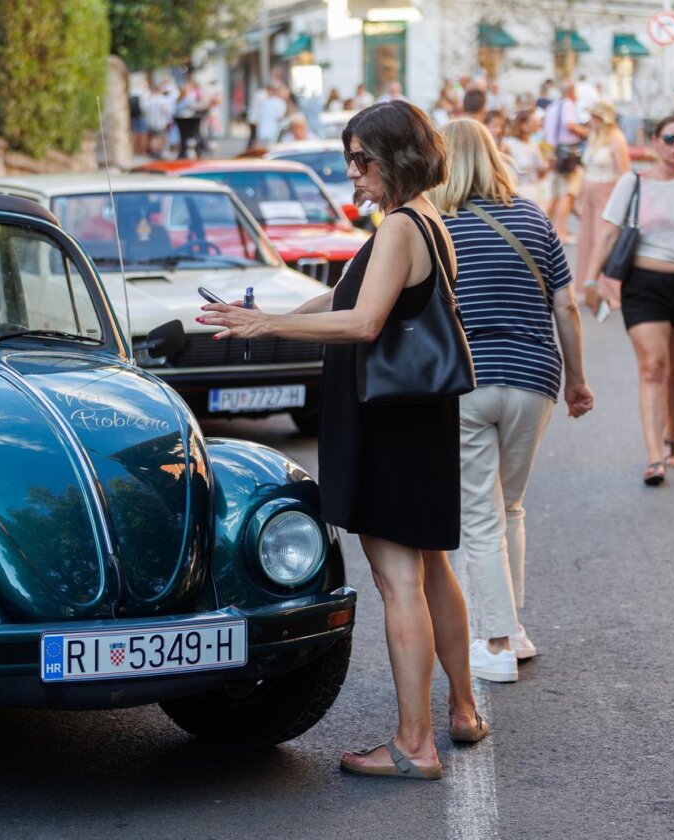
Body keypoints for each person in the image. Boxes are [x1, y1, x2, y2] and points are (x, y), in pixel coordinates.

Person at [198, 101, 487, 780]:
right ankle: (465, 710)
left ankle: (414, 746)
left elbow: (364, 323)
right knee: (432, 568)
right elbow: (343, 299)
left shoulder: (399, 229)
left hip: (386, 419)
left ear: (399, 157)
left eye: (363, 159)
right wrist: (259, 317)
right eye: (348, 159)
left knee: (397, 581)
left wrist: (267, 330)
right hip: (416, 416)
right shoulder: (425, 221)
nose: (351, 173)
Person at [428, 120, 594, 682]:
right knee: (511, 506)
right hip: (533, 379)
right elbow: (566, 307)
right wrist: (577, 380)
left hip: (467, 381)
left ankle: (496, 644)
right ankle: (515, 629)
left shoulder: (437, 224)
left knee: (479, 513)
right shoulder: (534, 218)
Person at [582, 114, 674, 484]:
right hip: (644, 287)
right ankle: (653, 458)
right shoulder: (633, 183)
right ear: (655, 142)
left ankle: (672, 437)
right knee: (652, 368)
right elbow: (606, 233)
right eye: (670, 138)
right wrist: (590, 279)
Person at [577, 102, 631, 308]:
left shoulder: (616, 139)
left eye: (594, 117)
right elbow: (585, 168)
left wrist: (620, 201)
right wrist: (579, 197)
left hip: (607, 193)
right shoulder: (594, 136)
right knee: (588, 240)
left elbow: (624, 173)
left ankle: (609, 291)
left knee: (604, 241)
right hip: (590, 192)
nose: (591, 121)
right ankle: (586, 288)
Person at [544, 82, 587, 242]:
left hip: (554, 154)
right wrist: (584, 132)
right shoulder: (567, 104)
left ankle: (547, 229)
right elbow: (570, 125)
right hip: (568, 155)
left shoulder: (553, 105)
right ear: (570, 92)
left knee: (555, 194)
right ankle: (561, 231)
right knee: (568, 194)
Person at [502, 109, 546, 204]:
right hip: (517, 194)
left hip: (535, 193)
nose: (537, 124)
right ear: (523, 125)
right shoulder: (508, 144)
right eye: (533, 121)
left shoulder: (534, 144)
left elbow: (541, 173)